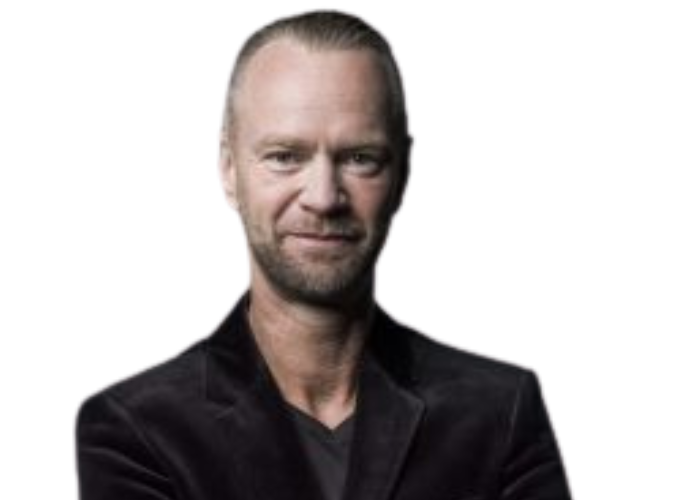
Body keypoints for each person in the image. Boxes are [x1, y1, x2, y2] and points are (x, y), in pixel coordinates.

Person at [76, 10, 572, 500]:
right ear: (229, 169)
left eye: (360, 158)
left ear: (402, 172)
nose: (323, 197)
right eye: (284, 157)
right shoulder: (139, 430)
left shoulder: (498, 413)